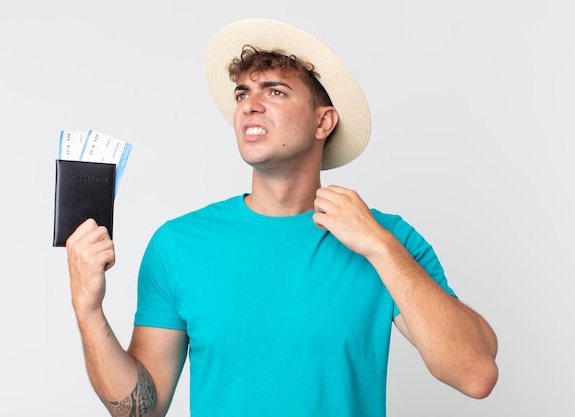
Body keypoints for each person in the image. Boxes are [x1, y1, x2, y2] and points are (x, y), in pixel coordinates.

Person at [66, 18, 498, 417]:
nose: (249, 105)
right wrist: (88, 311)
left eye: (274, 91)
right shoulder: (178, 244)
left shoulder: (386, 239)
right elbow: (143, 409)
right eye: (242, 94)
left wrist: (379, 245)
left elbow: (475, 374)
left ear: (323, 121)